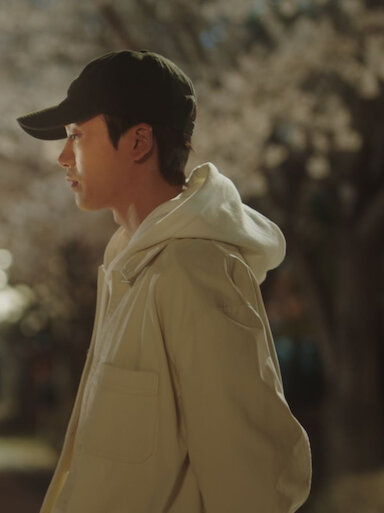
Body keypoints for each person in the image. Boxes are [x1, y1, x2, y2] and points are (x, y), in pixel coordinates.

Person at [17, 50, 312, 512]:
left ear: (139, 142)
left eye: (76, 135)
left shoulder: (192, 269)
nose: (62, 157)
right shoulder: (132, 264)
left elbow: (251, 480)